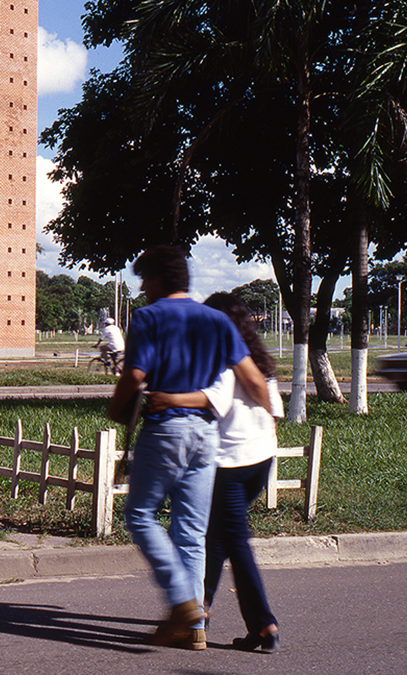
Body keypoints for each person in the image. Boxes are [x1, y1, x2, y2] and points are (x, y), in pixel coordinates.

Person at [107, 245, 273, 651]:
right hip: (207, 435)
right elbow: (249, 373)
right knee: (192, 531)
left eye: (145, 278)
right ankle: (194, 630)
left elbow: (137, 374)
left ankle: (184, 602)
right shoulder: (217, 320)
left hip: (166, 430)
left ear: (161, 279)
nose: (142, 286)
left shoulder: (149, 316)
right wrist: (269, 415)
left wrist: (115, 408)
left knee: (140, 515)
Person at [146, 291, 283, 653]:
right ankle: (197, 612)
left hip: (229, 465)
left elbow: (212, 399)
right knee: (216, 539)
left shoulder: (223, 360)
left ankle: (264, 624)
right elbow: (275, 411)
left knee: (234, 542)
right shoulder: (259, 363)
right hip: (261, 460)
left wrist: (166, 399)